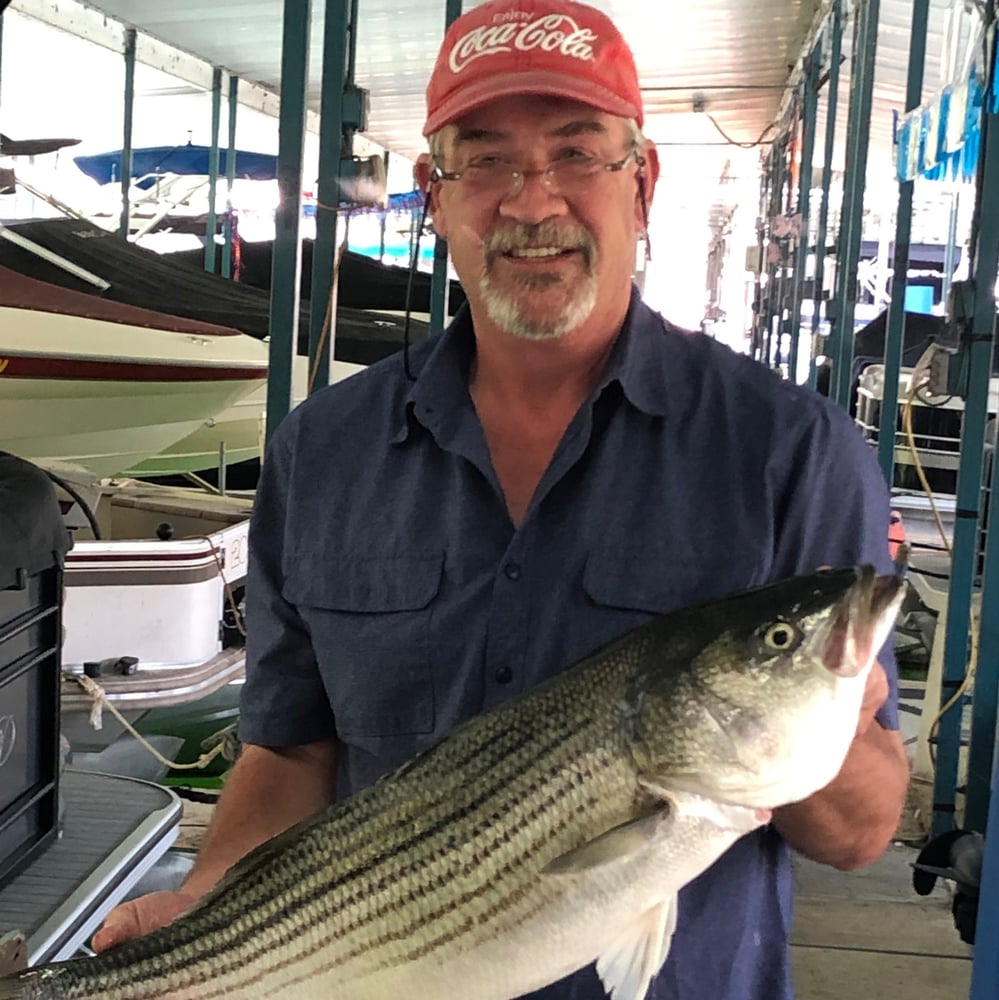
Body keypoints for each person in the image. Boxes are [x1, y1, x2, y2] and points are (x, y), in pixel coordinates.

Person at [93, 1, 910, 996]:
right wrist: (209, 918)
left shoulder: (793, 451)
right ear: (434, 196)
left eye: (578, 153)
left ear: (642, 185)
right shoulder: (322, 451)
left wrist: (817, 706)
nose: (533, 202)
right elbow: (290, 745)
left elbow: (862, 831)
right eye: (484, 161)